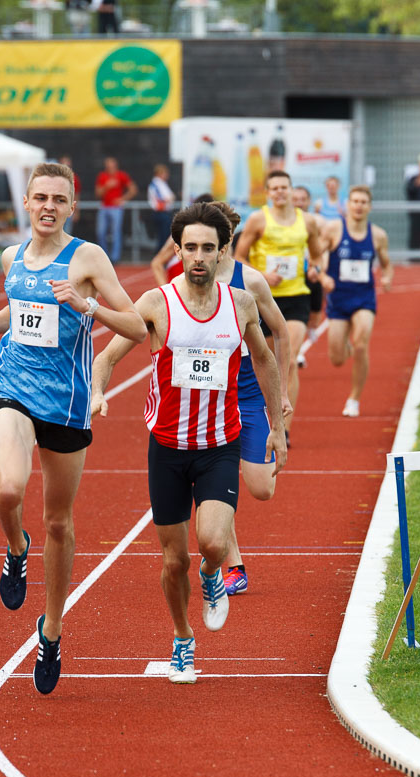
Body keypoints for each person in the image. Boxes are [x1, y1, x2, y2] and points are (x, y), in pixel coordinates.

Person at [0, 162, 146, 696]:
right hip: (11, 387)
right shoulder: (13, 257)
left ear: (72, 206)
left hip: (67, 404)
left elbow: (139, 327)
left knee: (59, 522)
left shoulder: (87, 257)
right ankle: (16, 549)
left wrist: (87, 305)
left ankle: (52, 631)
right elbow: (18, 314)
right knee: (8, 487)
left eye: (58, 199)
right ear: (29, 202)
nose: (48, 207)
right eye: (40, 197)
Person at [92, 202, 286, 683]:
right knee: (174, 559)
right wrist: (96, 393)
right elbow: (108, 356)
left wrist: (278, 426)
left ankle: (213, 575)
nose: (198, 257)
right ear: (178, 251)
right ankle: (182, 639)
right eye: (190, 248)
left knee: (213, 544)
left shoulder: (240, 304)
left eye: (208, 249)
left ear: (223, 253)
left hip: (221, 443)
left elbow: (264, 359)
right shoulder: (156, 303)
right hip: (168, 448)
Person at [210, 201, 290, 597]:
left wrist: (284, 392)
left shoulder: (250, 281)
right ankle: (233, 563)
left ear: (226, 242)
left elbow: (281, 333)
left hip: (248, 390)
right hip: (208, 395)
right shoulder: (187, 279)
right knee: (214, 476)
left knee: (262, 488)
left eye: (214, 243)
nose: (206, 252)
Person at [235, 170, 323, 446]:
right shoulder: (258, 219)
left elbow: (317, 254)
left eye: (284, 187)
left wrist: (316, 270)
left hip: (296, 297)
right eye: (274, 188)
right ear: (268, 192)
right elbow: (239, 256)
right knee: (267, 361)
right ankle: (266, 414)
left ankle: (284, 427)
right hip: (263, 298)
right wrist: (262, 274)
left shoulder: (306, 221)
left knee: (290, 357)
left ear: (291, 189)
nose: (280, 192)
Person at [320, 185, 393, 417]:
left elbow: (386, 263)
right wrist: (322, 276)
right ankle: (346, 346)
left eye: (363, 202)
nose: (359, 206)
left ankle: (354, 399)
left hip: (364, 299)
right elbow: (316, 257)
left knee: (362, 343)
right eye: (355, 201)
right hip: (338, 301)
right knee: (337, 358)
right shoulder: (333, 229)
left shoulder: (378, 235)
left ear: (369, 207)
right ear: (348, 204)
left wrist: (388, 277)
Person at [292, 184, 326, 364]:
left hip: (308, 270)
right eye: (295, 199)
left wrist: (319, 269)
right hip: (287, 275)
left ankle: (311, 325)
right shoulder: (281, 222)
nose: (298, 203)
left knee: (312, 303)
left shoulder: (316, 222)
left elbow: (322, 251)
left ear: (308, 201)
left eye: (302, 200)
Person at [150, 192, 213, 286]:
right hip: (178, 293)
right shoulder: (181, 234)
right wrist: (166, 293)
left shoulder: (215, 237)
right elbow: (157, 263)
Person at [94, 157, 137, 264]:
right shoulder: (102, 176)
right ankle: (104, 255)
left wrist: (123, 199)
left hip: (116, 208)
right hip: (104, 207)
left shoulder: (121, 175)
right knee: (101, 232)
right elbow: (98, 193)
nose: (110, 167)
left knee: (115, 232)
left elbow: (133, 189)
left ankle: (114, 257)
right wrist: (106, 187)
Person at [147, 164, 176, 253]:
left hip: (162, 213)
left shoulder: (160, 184)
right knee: (164, 238)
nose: (167, 175)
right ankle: (161, 256)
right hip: (161, 213)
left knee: (163, 237)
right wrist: (169, 199)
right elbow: (165, 198)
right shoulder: (157, 183)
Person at [59, 155, 82, 235]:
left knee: (67, 233)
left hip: (68, 208)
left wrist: (76, 211)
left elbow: (77, 195)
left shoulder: (74, 178)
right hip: (58, 208)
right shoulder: (57, 178)